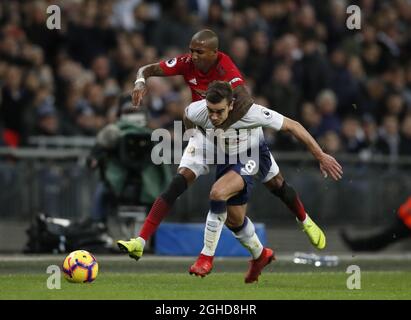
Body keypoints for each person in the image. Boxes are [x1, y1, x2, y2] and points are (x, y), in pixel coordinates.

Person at [117, 30, 340, 264]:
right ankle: (140, 242)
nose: (192, 56)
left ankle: (304, 220)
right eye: (191, 50)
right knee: (180, 183)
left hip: (243, 139)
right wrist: (140, 81)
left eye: (199, 52)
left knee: (276, 185)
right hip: (207, 131)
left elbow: (254, 108)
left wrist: (320, 155)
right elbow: (149, 71)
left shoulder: (227, 71)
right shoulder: (187, 66)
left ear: (214, 52)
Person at [340, 196, 411, 251]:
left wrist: (401, 214)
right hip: (405, 222)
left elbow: (406, 210)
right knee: (382, 239)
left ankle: (356, 245)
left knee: (382, 239)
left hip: (406, 223)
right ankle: (356, 245)